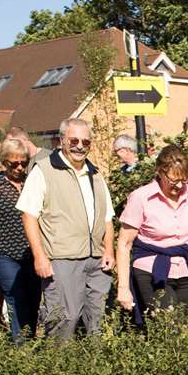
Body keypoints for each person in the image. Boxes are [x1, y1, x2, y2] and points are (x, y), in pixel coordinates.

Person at [17, 118, 115, 341]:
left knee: (98, 320)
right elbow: (29, 216)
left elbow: (107, 217)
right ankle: (59, 370)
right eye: (74, 140)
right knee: (65, 319)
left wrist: (108, 249)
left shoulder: (95, 174)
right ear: (62, 141)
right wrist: (39, 257)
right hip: (62, 258)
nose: (80, 146)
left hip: (97, 260)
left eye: (86, 141)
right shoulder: (44, 170)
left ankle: (95, 369)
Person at [115, 144, 188, 325]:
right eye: (173, 180)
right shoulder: (141, 198)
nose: (179, 186)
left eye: (184, 180)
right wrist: (123, 287)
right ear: (160, 172)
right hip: (152, 271)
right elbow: (124, 244)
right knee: (168, 329)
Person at [0, 138, 40, 341]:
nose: (19, 168)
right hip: (5, 253)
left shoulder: (33, 182)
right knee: (16, 297)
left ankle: (31, 341)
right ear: (4, 162)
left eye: (23, 162)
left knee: (34, 297)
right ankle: (20, 345)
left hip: (32, 251)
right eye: (14, 163)